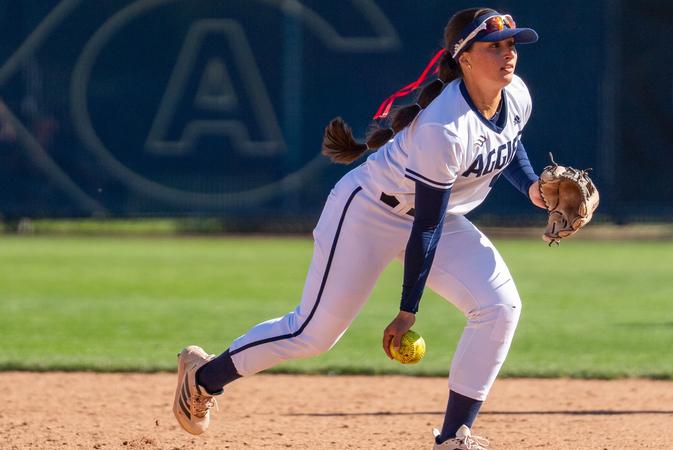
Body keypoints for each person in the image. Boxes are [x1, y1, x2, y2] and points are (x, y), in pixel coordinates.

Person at [173, 7, 546, 449]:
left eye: (511, 45)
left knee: (500, 307)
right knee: (311, 333)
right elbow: (424, 227)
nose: (508, 55)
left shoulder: (516, 93)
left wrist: (536, 190)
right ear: (464, 58)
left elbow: (509, 146)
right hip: (369, 212)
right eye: (493, 47)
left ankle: (453, 437)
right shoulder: (444, 127)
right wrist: (409, 310)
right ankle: (203, 377)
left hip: (437, 217)